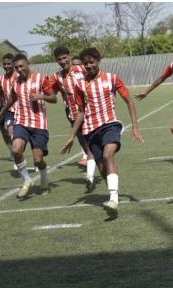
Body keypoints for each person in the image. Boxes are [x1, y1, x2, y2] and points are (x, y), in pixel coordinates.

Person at [60, 47, 145, 214]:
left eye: (91, 62)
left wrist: (135, 127)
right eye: (85, 64)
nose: (89, 66)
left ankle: (113, 199)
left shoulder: (112, 78)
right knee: (101, 167)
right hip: (90, 131)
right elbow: (80, 111)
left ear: (98, 61)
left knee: (108, 155)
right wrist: (71, 136)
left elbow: (129, 101)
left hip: (110, 125)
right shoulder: (80, 84)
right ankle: (114, 192)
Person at [0, 54, 56, 198]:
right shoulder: (16, 82)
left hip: (39, 124)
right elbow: (12, 99)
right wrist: (1, 112)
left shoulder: (41, 78)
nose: (19, 70)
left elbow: (53, 98)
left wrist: (41, 96)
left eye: (21, 66)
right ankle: (27, 180)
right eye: (17, 68)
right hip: (21, 122)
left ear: (28, 64)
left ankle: (44, 180)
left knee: (38, 160)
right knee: (16, 150)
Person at [51, 45, 98, 186]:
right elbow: (51, 93)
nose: (63, 61)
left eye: (65, 58)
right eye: (59, 59)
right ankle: (95, 165)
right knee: (84, 144)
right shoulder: (56, 77)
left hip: (89, 113)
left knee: (92, 143)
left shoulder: (82, 70)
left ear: (70, 56)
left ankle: (90, 176)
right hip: (72, 114)